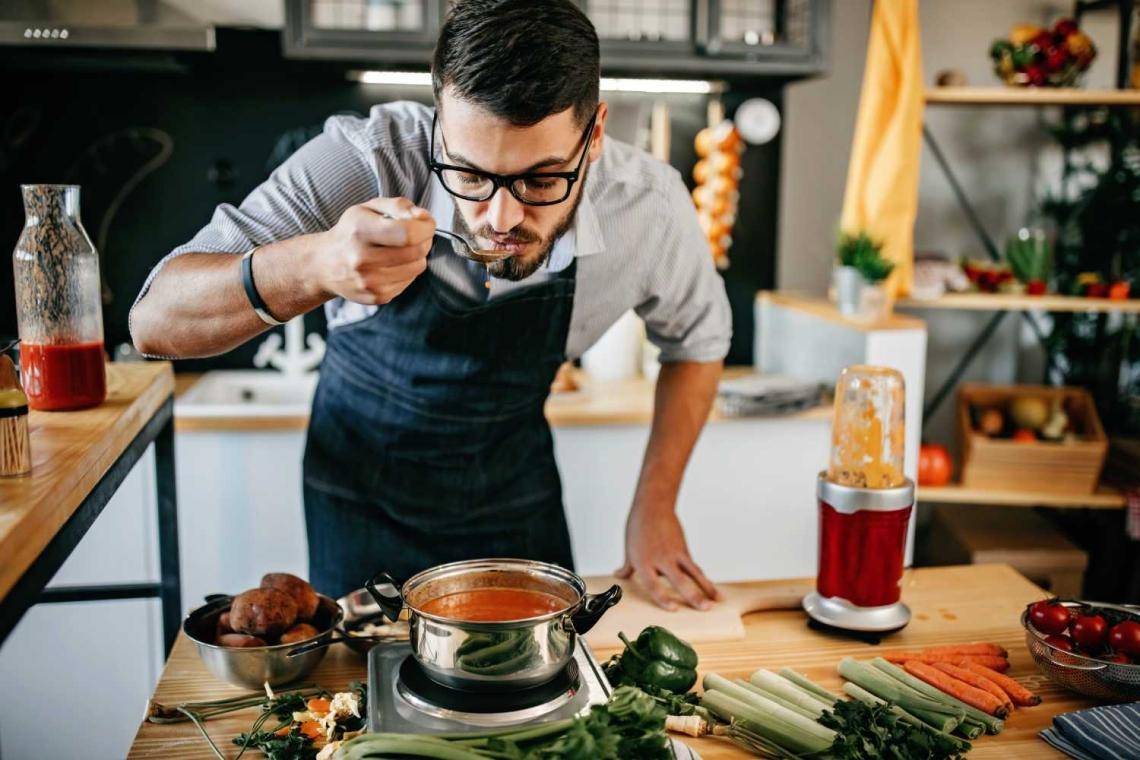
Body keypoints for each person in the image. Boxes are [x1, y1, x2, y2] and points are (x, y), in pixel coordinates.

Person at [131, 0, 731, 610]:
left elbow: (698, 343)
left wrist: (654, 508)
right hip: (359, 501)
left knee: (540, 693)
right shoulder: (366, 158)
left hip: (515, 500)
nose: (500, 219)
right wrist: (314, 264)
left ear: (595, 134)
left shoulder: (648, 207)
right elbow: (153, 321)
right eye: (468, 175)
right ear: (440, 122)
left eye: (542, 181)